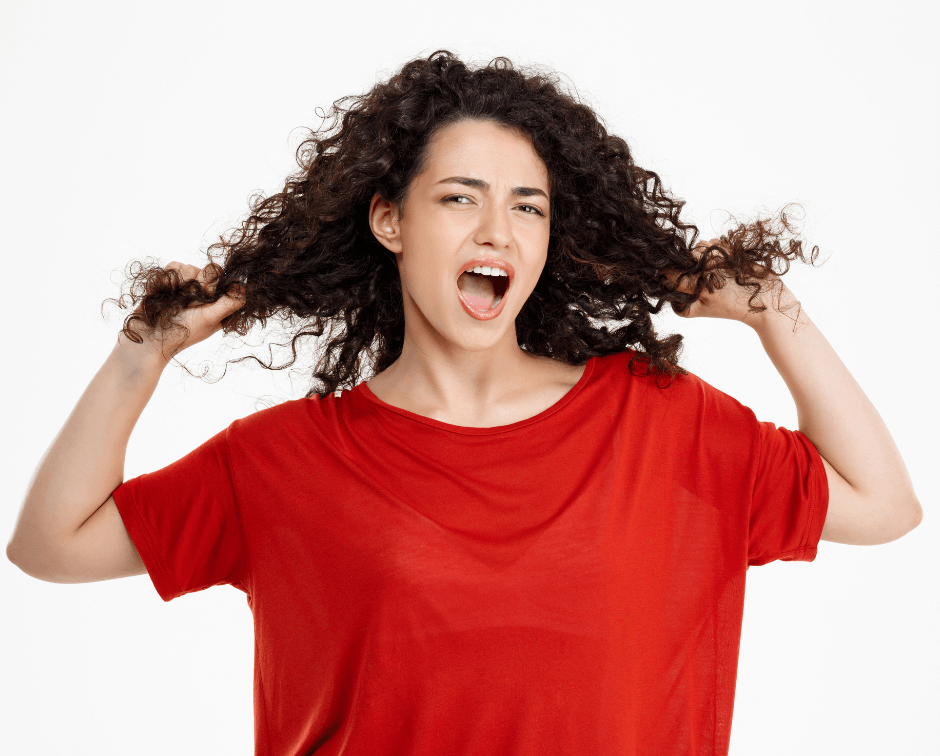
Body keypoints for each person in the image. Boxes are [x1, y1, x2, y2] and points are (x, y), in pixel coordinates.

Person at [6, 50, 923, 755]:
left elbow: (884, 505)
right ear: (390, 220)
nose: (498, 230)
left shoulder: (664, 422)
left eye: (528, 206)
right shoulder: (283, 459)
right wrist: (142, 357)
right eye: (460, 198)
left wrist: (774, 315)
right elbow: (52, 544)